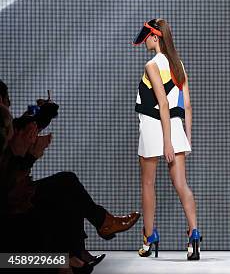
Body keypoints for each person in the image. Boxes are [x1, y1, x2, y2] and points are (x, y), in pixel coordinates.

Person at [0, 81, 140, 273]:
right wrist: (28, 158)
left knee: (65, 186)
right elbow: (9, 193)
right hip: (9, 248)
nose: (10, 108)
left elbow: (23, 127)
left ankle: (75, 253)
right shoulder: (6, 129)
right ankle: (69, 257)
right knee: (62, 191)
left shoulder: (9, 129)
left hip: (12, 224)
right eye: (8, 103)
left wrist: (40, 117)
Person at [132, 19, 200, 260]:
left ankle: (149, 237)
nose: (145, 42)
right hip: (176, 126)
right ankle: (194, 234)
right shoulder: (177, 64)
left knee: (148, 185)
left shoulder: (152, 64)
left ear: (155, 37)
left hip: (154, 129)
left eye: (147, 38)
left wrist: (167, 142)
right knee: (182, 185)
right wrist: (185, 138)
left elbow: (161, 103)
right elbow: (187, 106)